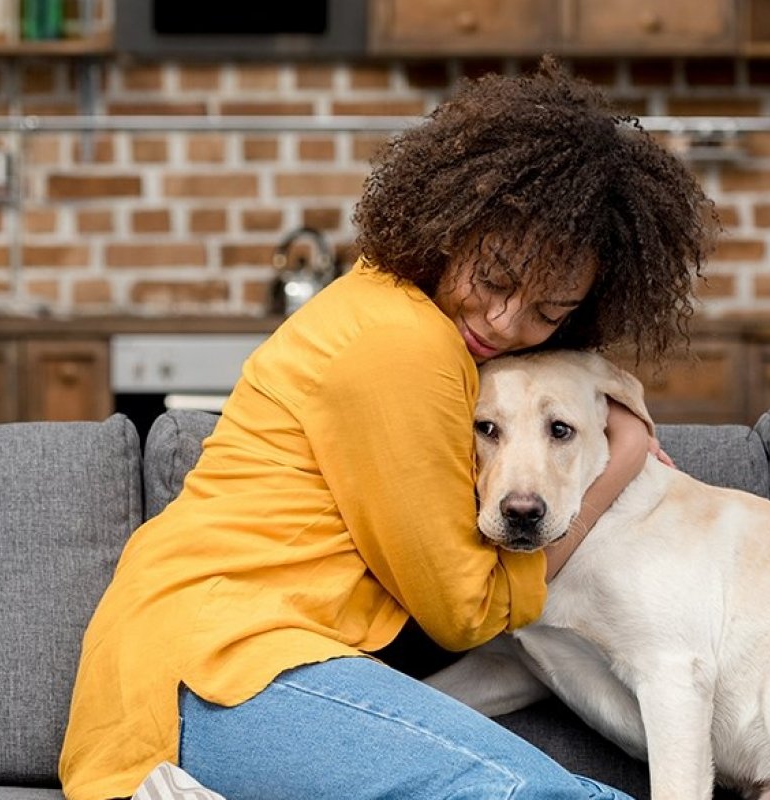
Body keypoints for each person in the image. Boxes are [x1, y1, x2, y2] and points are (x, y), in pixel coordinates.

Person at [59, 56, 713, 800]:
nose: (503, 322)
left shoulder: (402, 317)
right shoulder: (403, 342)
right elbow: (465, 611)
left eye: (547, 312)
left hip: (239, 662)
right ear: (453, 222)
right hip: (218, 665)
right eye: (494, 278)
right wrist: (620, 455)